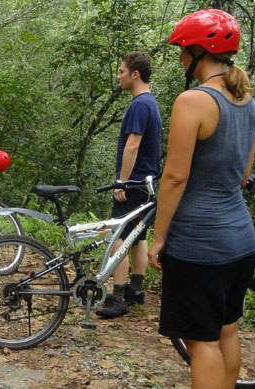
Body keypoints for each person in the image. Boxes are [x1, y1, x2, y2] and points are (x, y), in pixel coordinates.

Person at [148, 9, 255, 389]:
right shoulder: (248, 102)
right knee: (227, 329)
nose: (180, 57)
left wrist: (159, 236)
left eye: (182, 49)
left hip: (199, 244)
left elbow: (175, 177)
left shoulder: (193, 101)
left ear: (199, 52)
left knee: (201, 341)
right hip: (240, 239)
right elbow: (243, 176)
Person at [96, 52, 162, 319]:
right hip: (147, 182)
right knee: (139, 235)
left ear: (135, 74)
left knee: (118, 235)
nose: (119, 75)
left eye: (122, 71)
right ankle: (136, 289)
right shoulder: (151, 103)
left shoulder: (139, 105)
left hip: (133, 182)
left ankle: (118, 295)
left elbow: (133, 144)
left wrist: (121, 181)